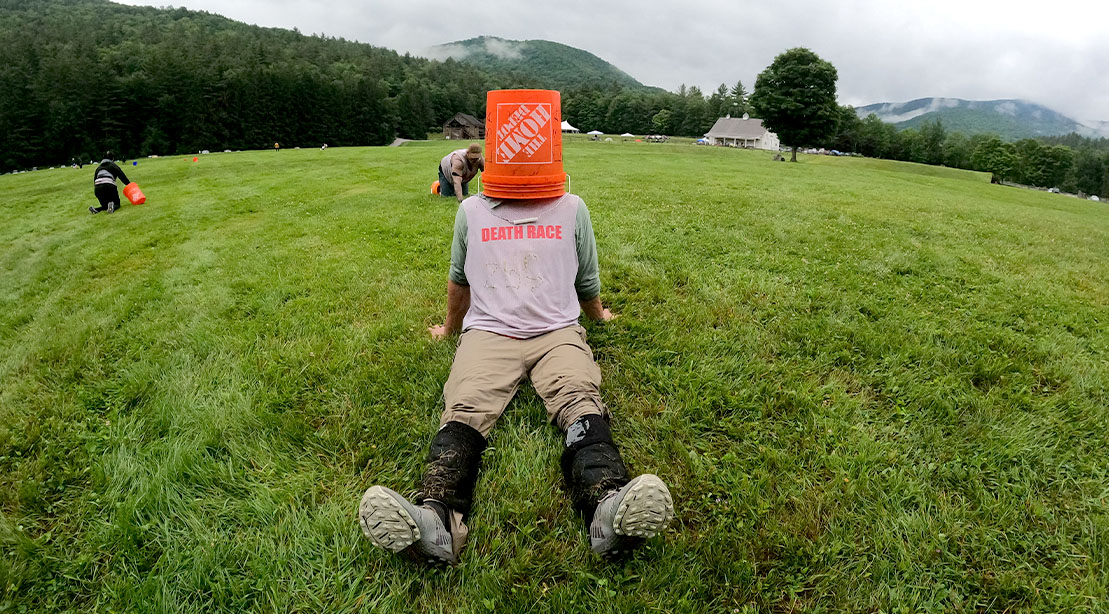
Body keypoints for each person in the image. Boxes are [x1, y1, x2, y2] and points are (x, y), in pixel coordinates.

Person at [359, 143, 675, 566]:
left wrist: (597, 316)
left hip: (557, 333)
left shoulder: (571, 207)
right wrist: (451, 328)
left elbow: (585, 276)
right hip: (490, 333)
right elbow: (460, 279)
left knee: (579, 398)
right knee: (465, 405)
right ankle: (436, 519)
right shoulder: (471, 211)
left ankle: (607, 507)